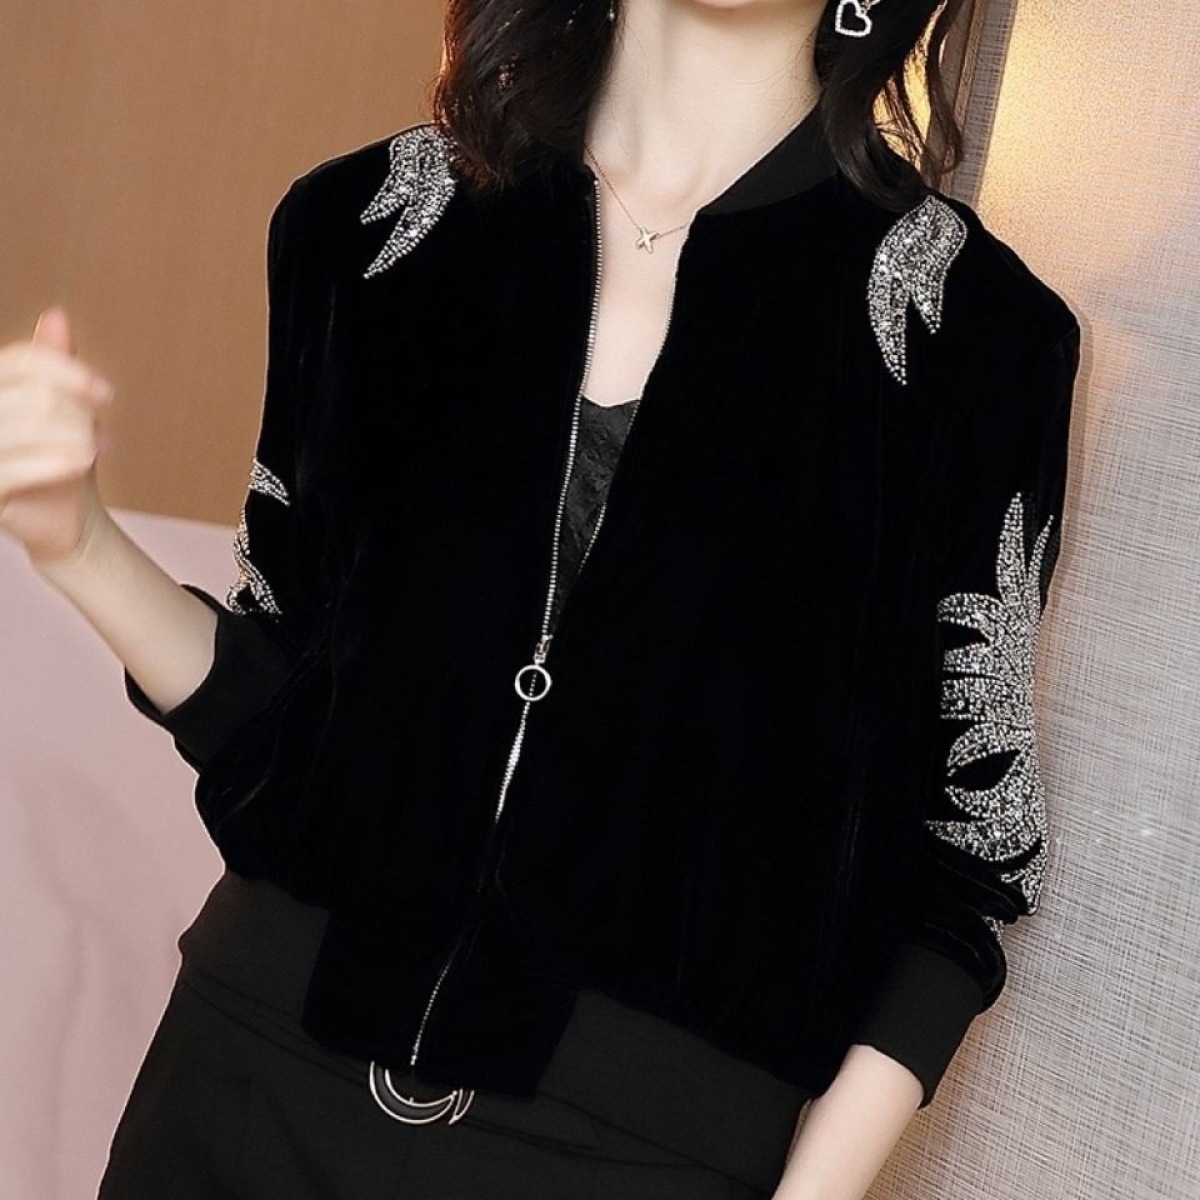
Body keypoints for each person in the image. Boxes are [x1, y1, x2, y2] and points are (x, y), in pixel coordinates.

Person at [0, 1, 1082, 1197]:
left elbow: (967, 856)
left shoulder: (977, 334)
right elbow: (280, 711)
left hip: (633, 1159)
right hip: (236, 1096)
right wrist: (76, 544)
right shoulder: (365, 225)